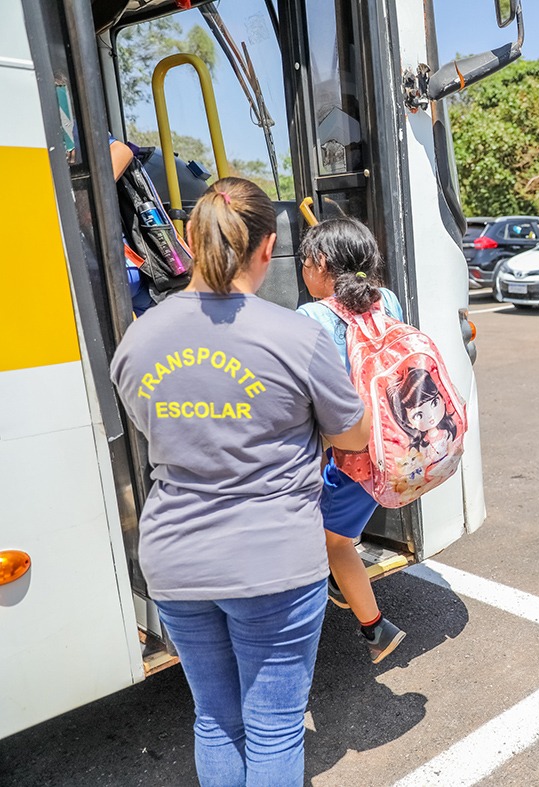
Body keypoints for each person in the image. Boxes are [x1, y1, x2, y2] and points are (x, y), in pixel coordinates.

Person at [109, 178, 372, 785]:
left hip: (175, 559)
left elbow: (149, 427)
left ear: (190, 237)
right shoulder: (296, 336)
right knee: (274, 728)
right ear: (268, 247)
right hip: (273, 559)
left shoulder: (139, 338)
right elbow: (354, 437)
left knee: (214, 719)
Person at [296, 217, 409, 664]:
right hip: (394, 445)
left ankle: (375, 629)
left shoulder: (312, 317)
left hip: (353, 457)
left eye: (305, 262)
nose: (303, 271)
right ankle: (340, 585)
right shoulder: (388, 300)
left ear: (321, 263)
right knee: (337, 529)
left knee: (336, 543)